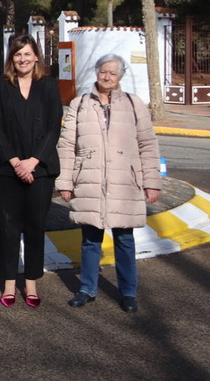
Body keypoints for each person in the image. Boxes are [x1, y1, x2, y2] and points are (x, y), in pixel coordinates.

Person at [57, 54, 162, 313]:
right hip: (90, 180)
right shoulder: (79, 104)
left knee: (124, 239)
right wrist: (65, 181)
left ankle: (128, 292)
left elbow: (147, 144)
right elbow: (67, 145)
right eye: (103, 72)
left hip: (125, 182)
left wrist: (152, 182)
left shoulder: (134, 105)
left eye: (112, 73)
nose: (107, 77)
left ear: (120, 76)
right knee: (90, 239)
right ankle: (87, 288)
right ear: (96, 72)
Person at [0, 35, 61, 308]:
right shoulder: (1, 85)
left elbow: (55, 125)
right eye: (18, 54)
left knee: (35, 227)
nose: (23, 59)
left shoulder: (49, 85)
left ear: (36, 56)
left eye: (28, 54)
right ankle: (8, 283)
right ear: (11, 58)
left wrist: (33, 161)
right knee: (8, 226)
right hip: (8, 168)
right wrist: (16, 161)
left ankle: (30, 283)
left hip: (41, 169)